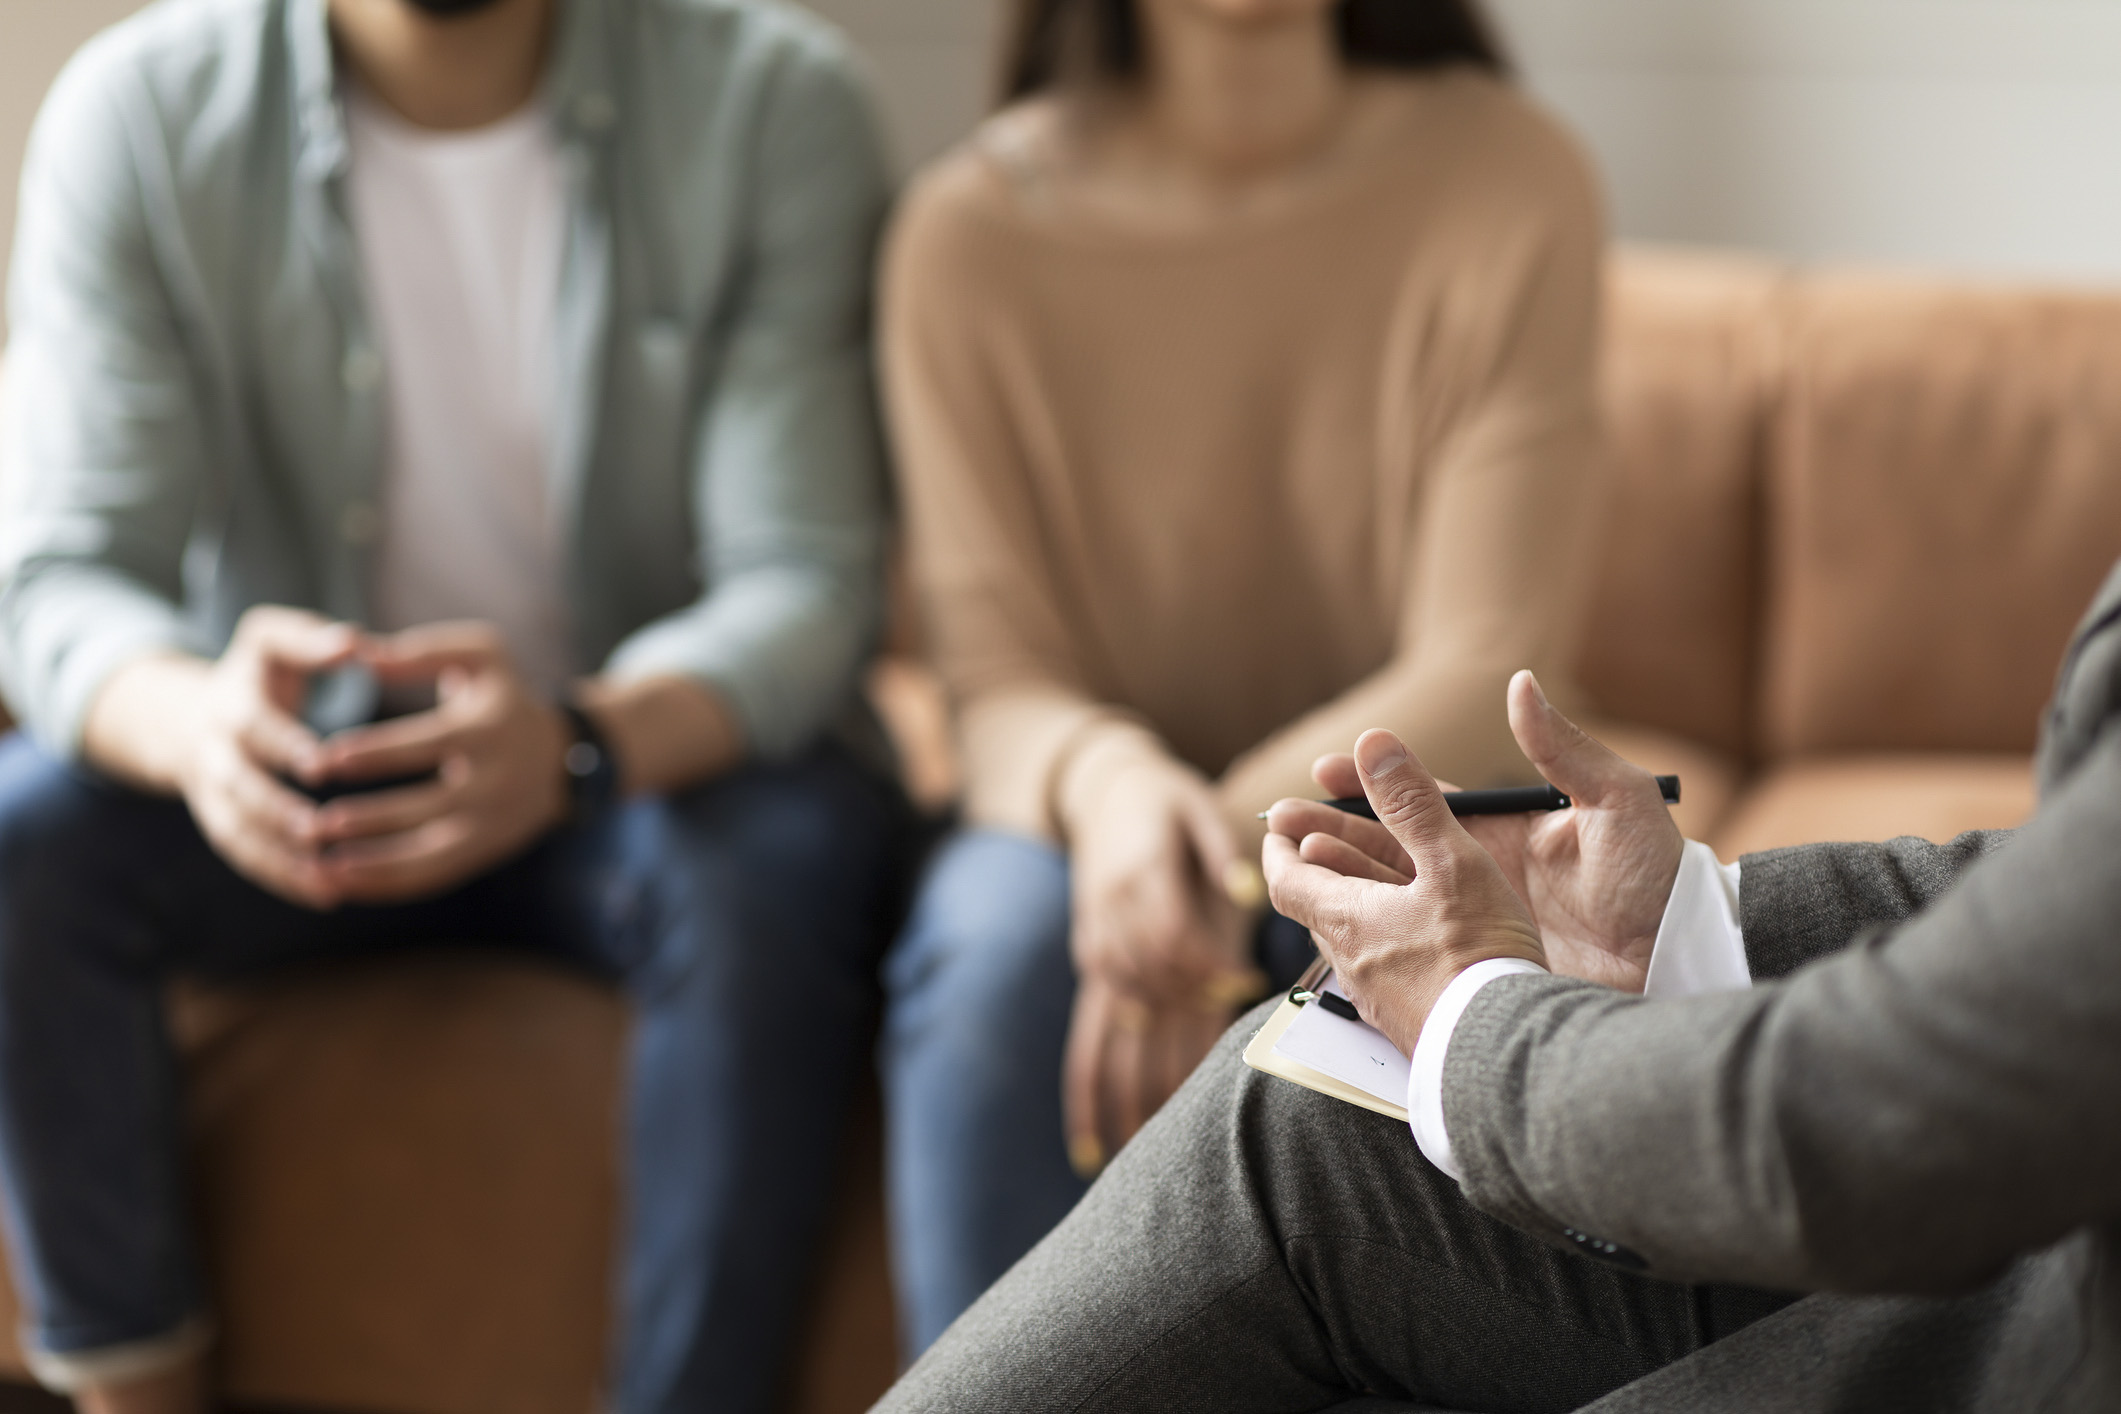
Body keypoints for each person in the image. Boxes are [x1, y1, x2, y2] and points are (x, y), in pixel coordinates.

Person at [0, 0, 900, 1410]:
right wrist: (200, 725)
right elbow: (53, 578)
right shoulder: (141, 114)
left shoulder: (771, 101)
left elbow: (805, 578)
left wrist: (581, 741)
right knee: (25, 834)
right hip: (301, 774)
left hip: (638, 773)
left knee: (771, 861)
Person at [870, 562, 2121, 1413]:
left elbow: (1857, 1130)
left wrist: (1477, 1012)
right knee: (1314, 1115)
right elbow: (2065, 910)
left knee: (1353, 1122)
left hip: (2029, 1315)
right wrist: (1691, 926)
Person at [877, 0, 1606, 1354]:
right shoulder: (964, 234)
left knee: (1475, 978)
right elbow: (991, 677)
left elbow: (1482, 657)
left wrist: (1209, 847)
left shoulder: (1512, 172)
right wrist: (1114, 798)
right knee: (990, 961)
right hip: (1078, 830)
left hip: (1404, 813)